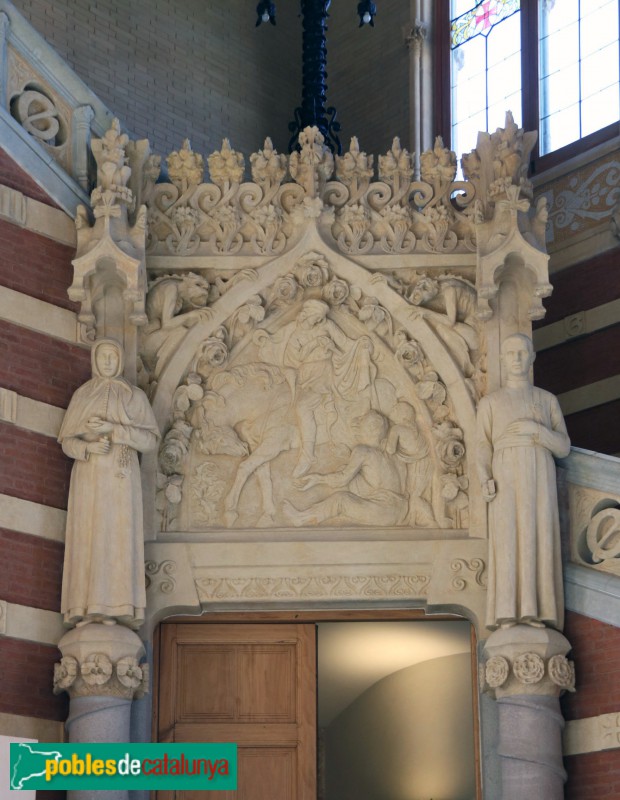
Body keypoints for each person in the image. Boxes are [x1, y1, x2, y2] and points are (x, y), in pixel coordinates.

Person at [58, 338, 160, 629]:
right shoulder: (82, 395)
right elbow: (67, 442)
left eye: (112, 357)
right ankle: (85, 607)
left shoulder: (134, 396)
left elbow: (150, 440)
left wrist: (114, 430)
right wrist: (87, 447)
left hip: (121, 479)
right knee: (88, 537)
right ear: (94, 359)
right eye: (102, 356)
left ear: (120, 360)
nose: (107, 362)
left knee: (117, 537)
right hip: (88, 477)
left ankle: (118, 607)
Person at [476, 334, 570, 631]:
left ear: (532, 357)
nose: (516, 358)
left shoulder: (546, 399)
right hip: (505, 475)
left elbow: (563, 446)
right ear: (502, 360)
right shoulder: (491, 403)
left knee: (538, 535)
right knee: (508, 539)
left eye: (522, 352)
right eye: (511, 353)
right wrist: (484, 477)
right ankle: (507, 612)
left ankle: (536, 611)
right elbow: (482, 445)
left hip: (539, 473)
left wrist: (536, 431)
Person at [283, 300, 376, 478]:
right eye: (316, 317)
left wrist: (360, 344)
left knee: (303, 407)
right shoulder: (296, 335)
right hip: (305, 376)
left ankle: (307, 456)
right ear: (307, 314)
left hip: (323, 373)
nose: (319, 321)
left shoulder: (327, 326)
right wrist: (314, 344)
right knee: (295, 405)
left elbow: (345, 343)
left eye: (321, 318)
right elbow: (293, 359)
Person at [283, 410, 407, 526]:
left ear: (369, 430)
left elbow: (341, 480)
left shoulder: (363, 451)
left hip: (383, 511)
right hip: (399, 509)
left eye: (361, 425)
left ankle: (301, 518)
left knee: (341, 500)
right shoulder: (390, 453)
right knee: (350, 475)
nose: (358, 429)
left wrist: (317, 479)